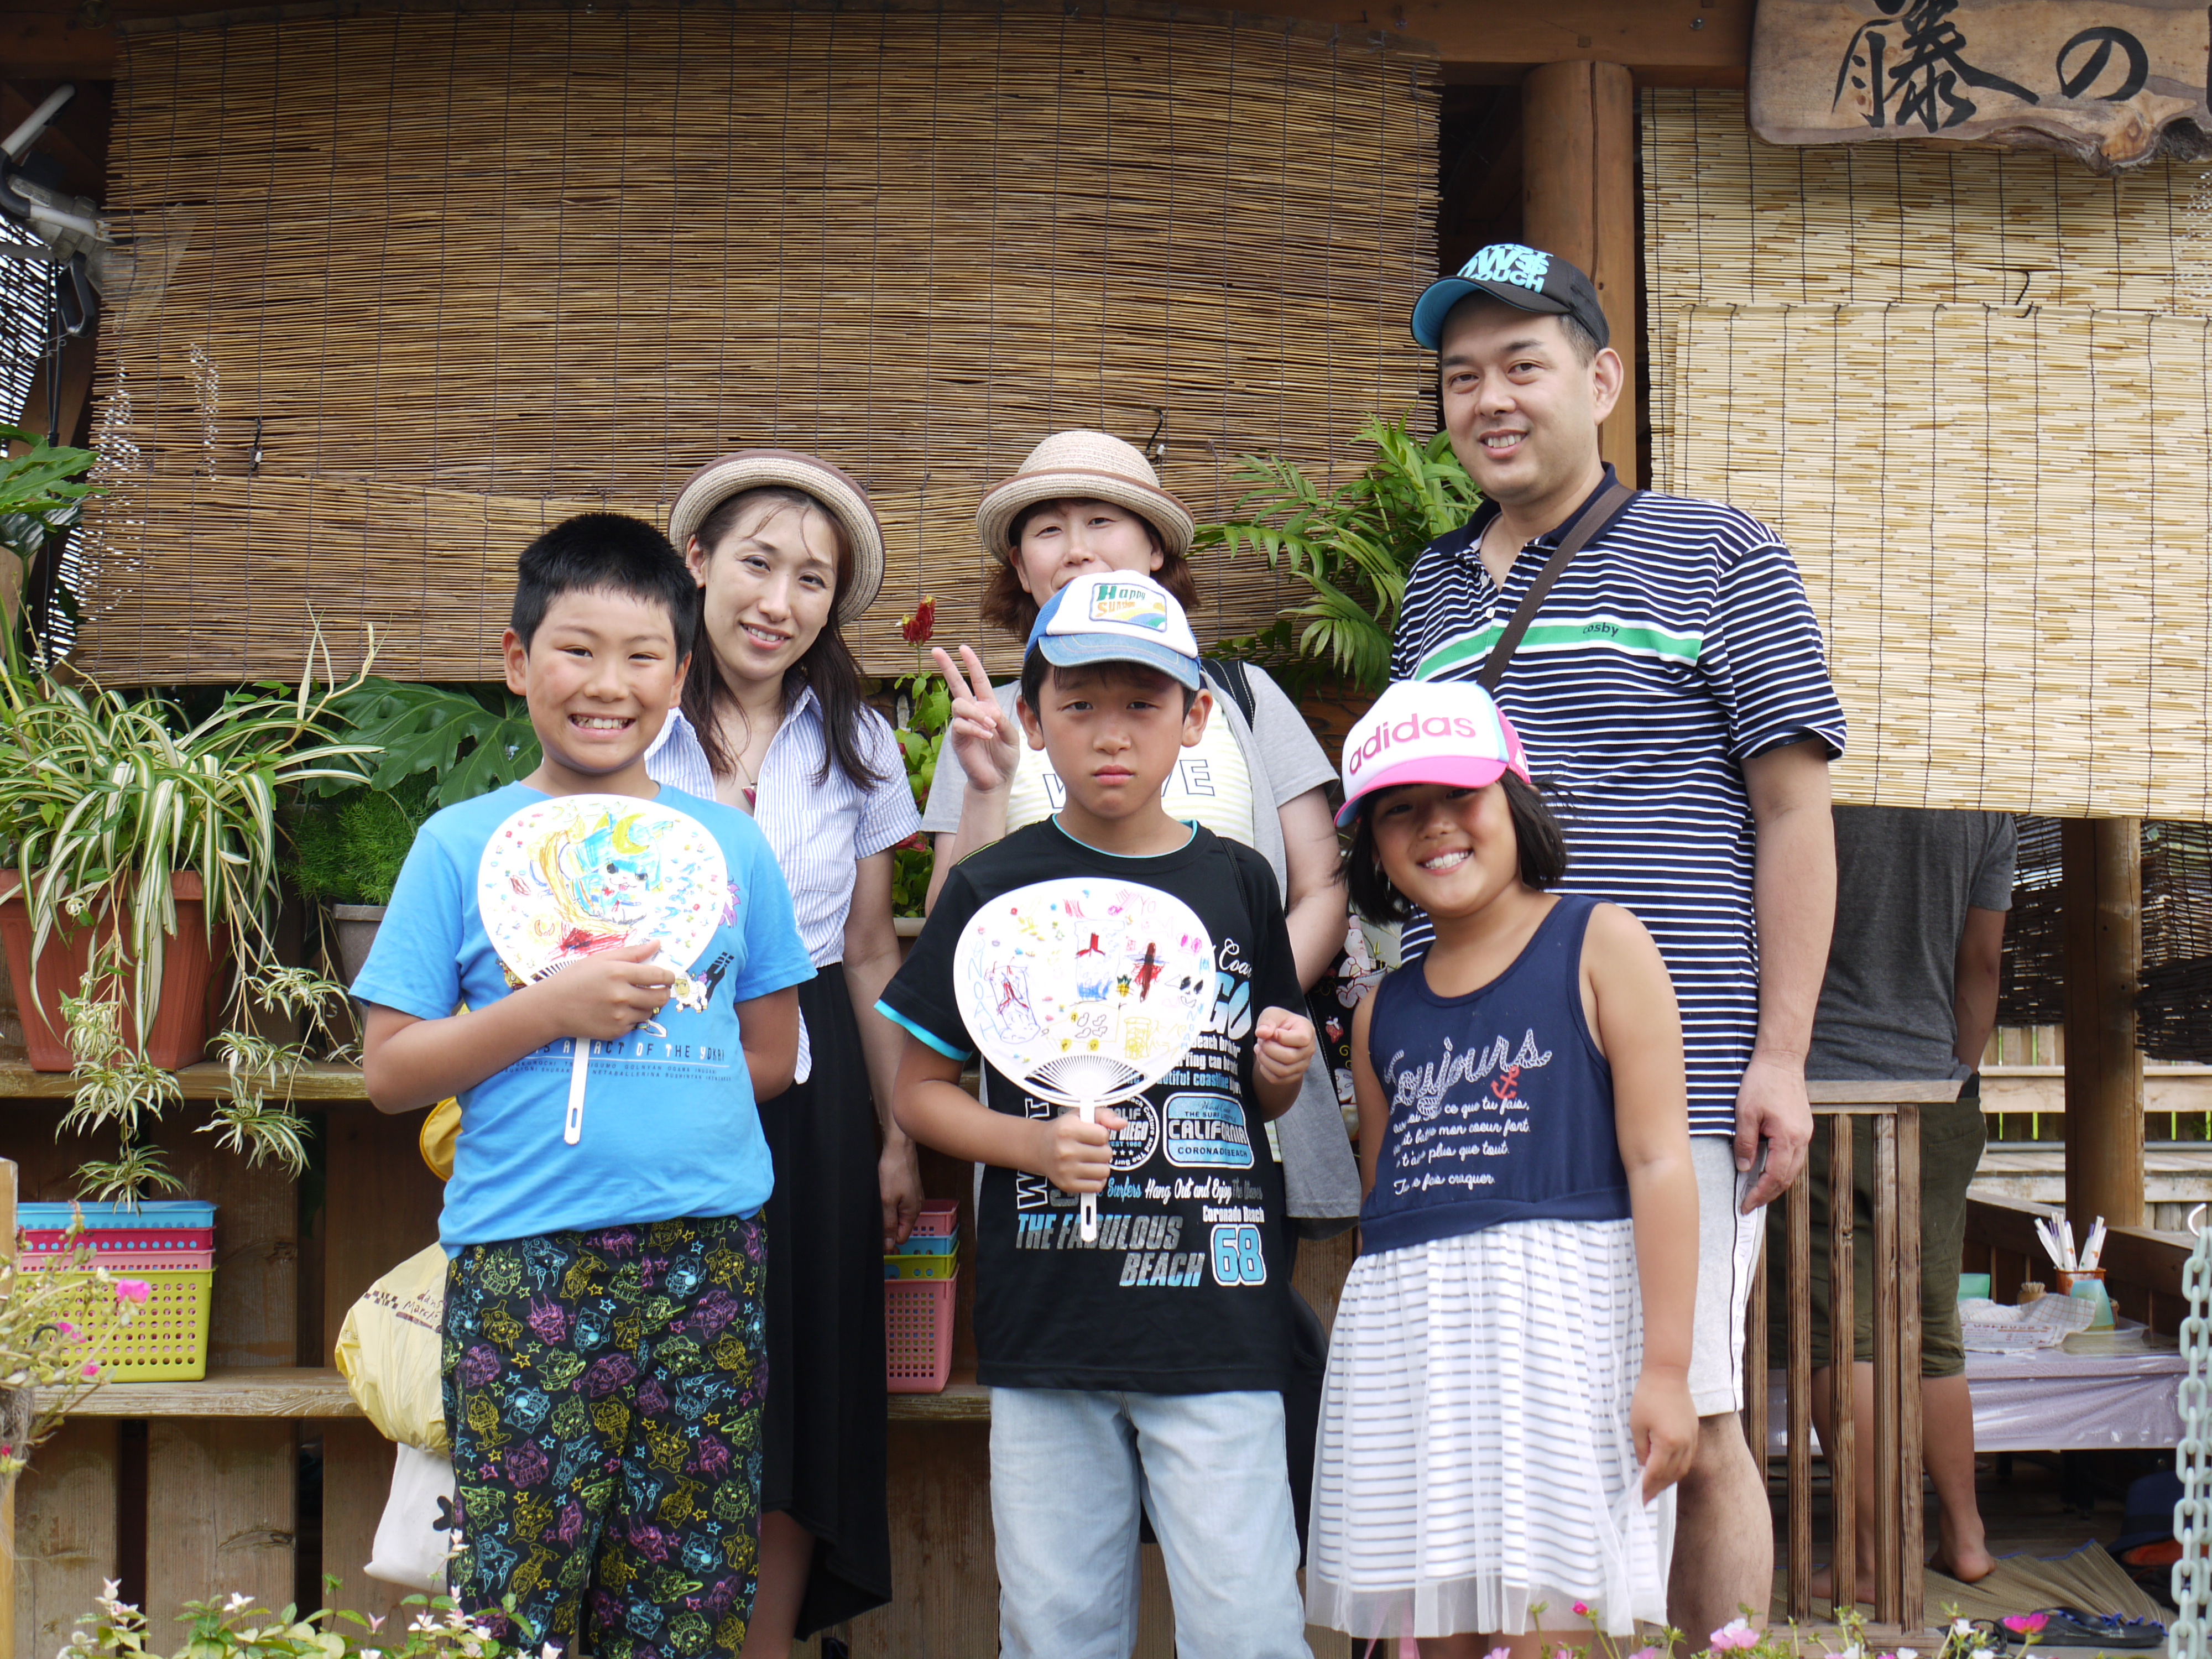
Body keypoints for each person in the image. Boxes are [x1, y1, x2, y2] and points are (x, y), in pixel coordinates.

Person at [1390, 242, 1848, 1637]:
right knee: (1519, 1411)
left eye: (1521, 365)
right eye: (1460, 377)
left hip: (1679, 1065)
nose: (1489, 399)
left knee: (1692, 1412)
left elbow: (1792, 811)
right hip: (1487, 1075)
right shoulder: (1430, 590)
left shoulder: (1717, 553)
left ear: (1600, 381)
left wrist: (1780, 1056)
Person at [354, 513, 816, 1657]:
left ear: (680, 676)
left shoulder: (728, 850)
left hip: (709, 1261)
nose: (609, 685)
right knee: (519, 1601)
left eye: (642, 656)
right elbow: (391, 1071)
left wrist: (664, 1093)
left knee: (688, 1595)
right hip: (527, 1264)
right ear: (518, 662)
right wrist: (546, 1014)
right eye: (576, 650)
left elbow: (769, 1054)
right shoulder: (461, 845)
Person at [879, 570, 1320, 1659]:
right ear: (1031, 723)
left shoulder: (1241, 882)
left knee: (1248, 1624)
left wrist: (1282, 1065)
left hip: (1220, 1317)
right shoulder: (991, 889)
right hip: (1049, 1324)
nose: (1111, 734)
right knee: (1056, 1626)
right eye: (1077, 705)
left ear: (1195, 719)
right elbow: (917, 1092)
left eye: (1142, 705)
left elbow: (1256, 1091)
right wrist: (1030, 1144)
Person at [1305, 679, 1700, 1654]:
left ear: (1517, 799)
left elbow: (1660, 1161)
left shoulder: (1601, 942)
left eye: (1461, 796)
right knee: (1430, 1625)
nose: (1435, 826)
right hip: (1414, 1352)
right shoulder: (1380, 1011)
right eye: (1399, 811)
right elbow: (1384, 1206)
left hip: (1560, 1343)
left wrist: (1666, 1369)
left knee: (1547, 1624)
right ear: (1374, 847)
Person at [920, 428, 1359, 1235]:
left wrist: (1221, 1010)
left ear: (1156, 548)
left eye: (1101, 521)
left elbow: (1321, 887)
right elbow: (959, 928)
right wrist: (987, 785)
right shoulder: (993, 719)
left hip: (1227, 1090)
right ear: (1020, 565)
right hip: (1057, 1100)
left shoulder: (1242, 697)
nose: (1075, 549)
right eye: (1047, 530)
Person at [640, 450, 923, 1653]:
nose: (779, 601)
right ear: (698, 564)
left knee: (799, 1374)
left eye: (812, 580)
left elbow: (868, 949)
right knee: (663, 1360)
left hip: (816, 1074)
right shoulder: (634, 718)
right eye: (757, 564)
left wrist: (898, 1132)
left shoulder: (856, 738)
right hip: (656, 1055)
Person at [1781, 806, 2014, 1595]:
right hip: (1936, 1094)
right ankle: (1966, 1536)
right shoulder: (1984, 805)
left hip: (1821, 1091)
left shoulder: (1809, 787)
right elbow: (1983, 964)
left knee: (1838, 1332)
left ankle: (1872, 1557)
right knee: (1931, 1326)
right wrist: (1956, 1076)